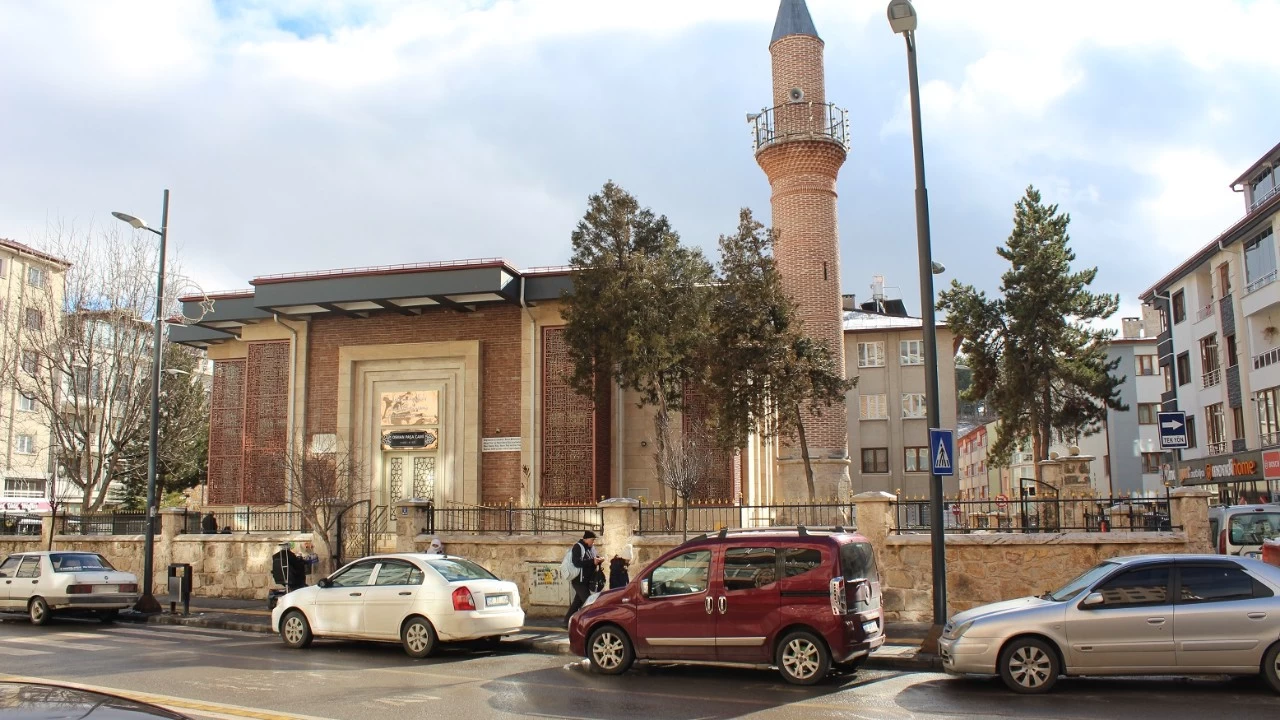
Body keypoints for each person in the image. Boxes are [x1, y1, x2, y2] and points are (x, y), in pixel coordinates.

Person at [564, 530, 603, 627]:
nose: (593, 542)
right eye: (592, 540)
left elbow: (592, 558)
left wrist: (599, 559)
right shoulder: (578, 547)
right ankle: (587, 623)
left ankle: (566, 621)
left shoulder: (592, 547)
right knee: (588, 602)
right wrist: (592, 561)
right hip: (579, 581)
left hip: (586, 580)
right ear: (586, 539)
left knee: (577, 603)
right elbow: (577, 563)